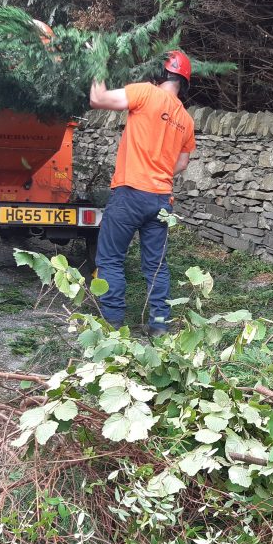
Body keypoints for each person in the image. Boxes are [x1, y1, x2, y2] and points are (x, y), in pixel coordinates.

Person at [88, 51, 195, 335]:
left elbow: (98, 99)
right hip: (161, 199)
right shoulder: (186, 119)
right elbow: (182, 163)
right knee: (156, 265)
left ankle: (112, 324)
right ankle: (160, 326)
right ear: (184, 81)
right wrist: (158, 170)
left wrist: (98, 62)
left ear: (160, 72)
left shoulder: (145, 93)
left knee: (110, 259)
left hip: (130, 193)